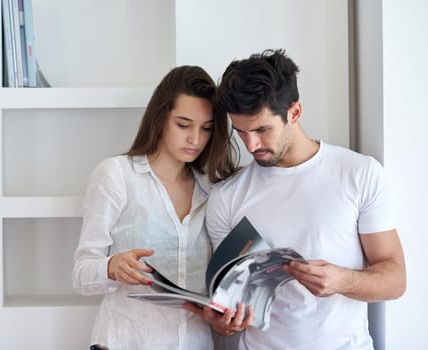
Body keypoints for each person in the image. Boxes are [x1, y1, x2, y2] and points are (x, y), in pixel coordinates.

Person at [184, 49, 406, 349]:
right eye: (241, 132)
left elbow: (395, 279)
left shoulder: (358, 173)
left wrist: (343, 280)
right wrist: (223, 323)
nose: (252, 145)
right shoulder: (227, 196)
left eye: (262, 129)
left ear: (295, 112)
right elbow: (228, 298)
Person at [72, 65, 238, 350]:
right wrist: (111, 267)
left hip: (196, 343)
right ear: (161, 119)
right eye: (183, 125)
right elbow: (81, 275)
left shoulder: (214, 189)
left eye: (206, 129)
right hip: (126, 341)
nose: (195, 140)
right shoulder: (117, 175)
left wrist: (223, 315)